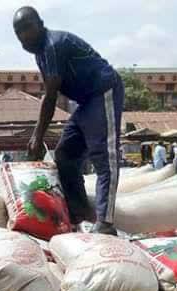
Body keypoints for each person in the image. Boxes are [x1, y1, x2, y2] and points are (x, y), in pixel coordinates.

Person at [13, 6, 124, 235]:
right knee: (65, 154)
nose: (24, 36)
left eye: (27, 28)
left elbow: (51, 97)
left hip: (102, 92)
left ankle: (106, 222)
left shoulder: (53, 45)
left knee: (104, 157)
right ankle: (80, 211)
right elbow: (50, 93)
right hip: (84, 103)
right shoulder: (40, 54)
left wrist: (37, 137)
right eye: (19, 32)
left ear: (40, 24)